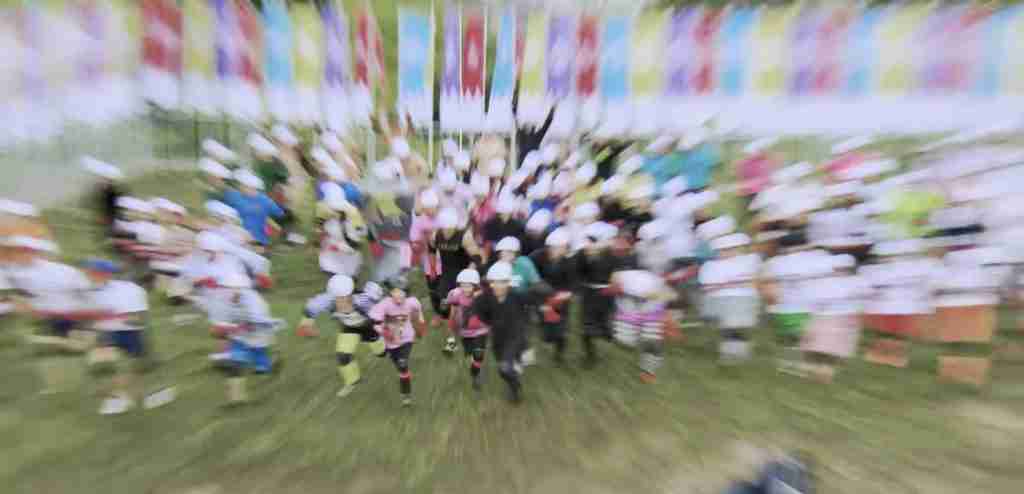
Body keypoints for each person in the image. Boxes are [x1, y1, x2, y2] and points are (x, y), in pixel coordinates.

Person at [79, 260, 175, 415]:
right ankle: (119, 397)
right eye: (88, 272)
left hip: (129, 332)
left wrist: (109, 316)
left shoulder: (130, 291)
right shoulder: (89, 290)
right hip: (106, 333)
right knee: (104, 366)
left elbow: (138, 319)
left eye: (91, 272)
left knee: (140, 367)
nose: (87, 276)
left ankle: (146, 394)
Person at [472, 261, 552, 403]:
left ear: (509, 282)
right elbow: (479, 312)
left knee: (505, 368)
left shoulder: (517, 296)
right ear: (490, 283)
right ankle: (513, 376)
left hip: (515, 335)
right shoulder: (484, 299)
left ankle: (515, 389)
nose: (499, 286)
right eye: (495, 282)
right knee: (502, 365)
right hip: (498, 337)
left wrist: (542, 292)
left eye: (503, 282)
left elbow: (538, 298)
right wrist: (489, 323)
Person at [298, 275, 387, 397]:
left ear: (351, 294)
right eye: (337, 299)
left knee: (381, 353)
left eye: (344, 298)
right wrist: (305, 325)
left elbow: (383, 310)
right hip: (349, 328)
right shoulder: (326, 301)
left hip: (367, 328)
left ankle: (385, 347)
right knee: (343, 356)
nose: (341, 302)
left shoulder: (364, 300)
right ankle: (352, 381)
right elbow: (310, 310)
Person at [208, 271, 282, 405]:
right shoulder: (226, 300)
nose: (226, 292)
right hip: (240, 337)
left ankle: (271, 365)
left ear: (240, 289)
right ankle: (236, 400)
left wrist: (233, 328)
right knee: (235, 363)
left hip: (258, 337)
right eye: (225, 288)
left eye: (229, 289)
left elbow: (255, 323)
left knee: (262, 370)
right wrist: (222, 328)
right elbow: (222, 320)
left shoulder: (255, 303)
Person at [368, 275, 426, 407]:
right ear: (391, 292)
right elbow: (373, 322)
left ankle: (406, 395)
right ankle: (403, 376)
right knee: (400, 368)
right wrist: (384, 332)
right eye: (395, 292)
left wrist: (420, 328)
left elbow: (418, 316)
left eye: (402, 292)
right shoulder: (384, 304)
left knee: (402, 363)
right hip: (390, 342)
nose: (399, 296)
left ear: (407, 292)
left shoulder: (412, 302)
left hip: (406, 338)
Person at [609, 269, 675, 382]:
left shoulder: (657, 282)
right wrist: (617, 287)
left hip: (652, 312)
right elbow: (613, 280)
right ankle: (645, 349)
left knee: (651, 341)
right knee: (625, 342)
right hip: (628, 313)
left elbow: (671, 295)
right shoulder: (623, 276)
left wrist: (656, 297)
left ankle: (649, 371)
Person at [529, 227, 578, 365]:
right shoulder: (538, 256)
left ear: (565, 248)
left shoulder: (569, 262)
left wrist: (564, 295)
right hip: (542, 295)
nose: (556, 251)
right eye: (553, 247)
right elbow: (528, 270)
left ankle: (559, 355)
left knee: (561, 329)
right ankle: (548, 335)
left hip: (561, 299)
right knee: (546, 328)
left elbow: (573, 285)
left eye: (560, 248)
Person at [577, 222, 622, 367]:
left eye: (593, 241)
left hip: (605, 295)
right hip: (589, 294)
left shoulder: (613, 257)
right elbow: (578, 273)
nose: (589, 244)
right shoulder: (584, 255)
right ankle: (590, 356)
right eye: (589, 241)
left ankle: (606, 332)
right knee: (586, 327)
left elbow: (615, 277)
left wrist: (613, 288)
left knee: (605, 326)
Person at [428, 207, 483, 321]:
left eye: (450, 229)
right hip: (447, 272)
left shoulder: (464, 236)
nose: (447, 231)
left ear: (455, 226)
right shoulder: (435, 235)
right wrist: (432, 268)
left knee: (466, 299)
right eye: (445, 229)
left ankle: (472, 317)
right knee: (443, 298)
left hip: (464, 271)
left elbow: (477, 257)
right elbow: (431, 249)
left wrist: (469, 272)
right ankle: (445, 318)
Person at [444, 268, 489, 391]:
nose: (465, 289)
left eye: (468, 286)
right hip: (465, 332)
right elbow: (452, 313)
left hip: (481, 329)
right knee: (472, 354)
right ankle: (477, 368)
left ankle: (476, 374)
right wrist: (451, 332)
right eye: (463, 286)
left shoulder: (482, 295)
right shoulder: (456, 295)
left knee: (478, 353)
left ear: (475, 285)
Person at [222, 169, 285, 248]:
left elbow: (280, 214)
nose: (241, 187)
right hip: (237, 238)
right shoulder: (232, 195)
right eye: (240, 185)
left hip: (256, 241)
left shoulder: (265, 201)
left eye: (243, 185)